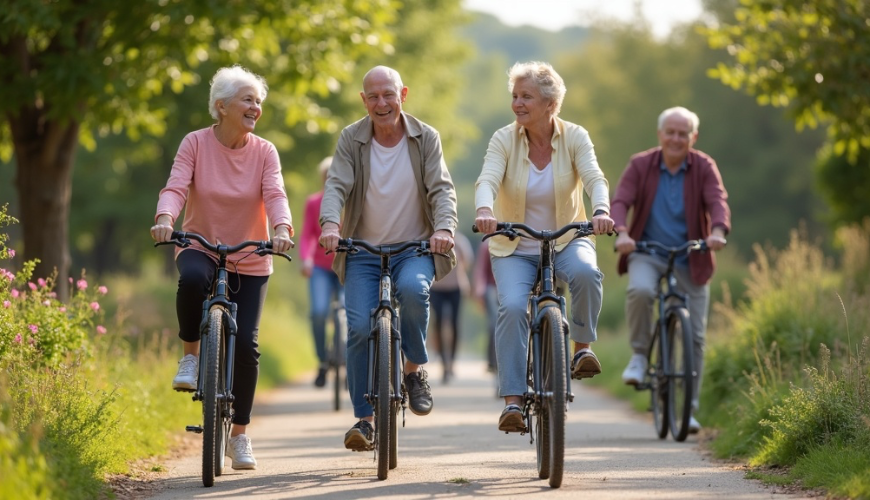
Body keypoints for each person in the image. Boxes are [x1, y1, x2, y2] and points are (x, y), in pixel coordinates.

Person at [150, 65, 294, 470]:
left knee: (246, 344)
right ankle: (191, 357)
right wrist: (165, 219)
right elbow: (176, 185)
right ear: (222, 106)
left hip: (251, 254)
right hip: (201, 244)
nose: (256, 108)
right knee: (193, 278)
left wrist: (282, 227)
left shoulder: (265, 151)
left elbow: (276, 194)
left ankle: (240, 437)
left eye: (259, 102)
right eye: (248, 100)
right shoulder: (195, 143)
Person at [318, 65, 458, 451]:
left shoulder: (425, 137)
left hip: (414, 248)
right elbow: (337, 185)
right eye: (373, 96)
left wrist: (444, 229)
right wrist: (330, 223)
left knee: (414, 291)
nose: (382, 103)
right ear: (363, 100)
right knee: (360, 326)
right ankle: (364, 420)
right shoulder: (351, 138)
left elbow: (442, 189)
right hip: (362, 250)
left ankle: (413, 371)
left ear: (403, 94)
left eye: (388, 94)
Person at [474, 61, 614, 432]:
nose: (517, 104)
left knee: (586, 273)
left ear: (551, 104)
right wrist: (485, 209)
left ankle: (582, 348)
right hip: (514, 243)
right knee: (513, 307)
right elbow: (487, 178)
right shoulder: (503, 139)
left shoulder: (575, 136)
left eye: (526, 97)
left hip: (567, 237)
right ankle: (514, 402)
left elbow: (595, 178)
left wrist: (601, 209)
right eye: (515, 96)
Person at [611, 106, 730, 434]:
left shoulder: (704, 166)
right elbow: (620, 201)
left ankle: (687, 410)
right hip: (647, 251)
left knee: (696, 337)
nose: (676, 138)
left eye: (683, 133)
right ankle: (639, 356)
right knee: (641, 290)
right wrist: (621, 232)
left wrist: (718, 231)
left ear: (693, 137)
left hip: (691, 254)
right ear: (660, 134)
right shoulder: (640, 164)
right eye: (671, 132)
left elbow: (717, 200)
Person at [300, 156, 344, 388]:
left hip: (347, 265)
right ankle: (322, 360)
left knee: (347, 313)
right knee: (318, 312)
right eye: (327, 176)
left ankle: (343, 356)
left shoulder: (350, 202)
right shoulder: (313, 202)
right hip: (319, 266)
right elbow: (307, 234)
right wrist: (306, 259)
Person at [429, 231, 473, 384]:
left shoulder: (460, 241)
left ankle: (452, 362)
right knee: (438, 322)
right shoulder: (433, 239)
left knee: (454, 323)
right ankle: (443, 363)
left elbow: (467, 262)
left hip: (456, 287)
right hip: (437, 287)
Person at [471, 238, 498, 374]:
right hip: (491, 288)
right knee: (494, 324)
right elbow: (480, 270)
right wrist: (479, 291)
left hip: (507, 287)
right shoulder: (487, 244)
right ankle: (492, 362)